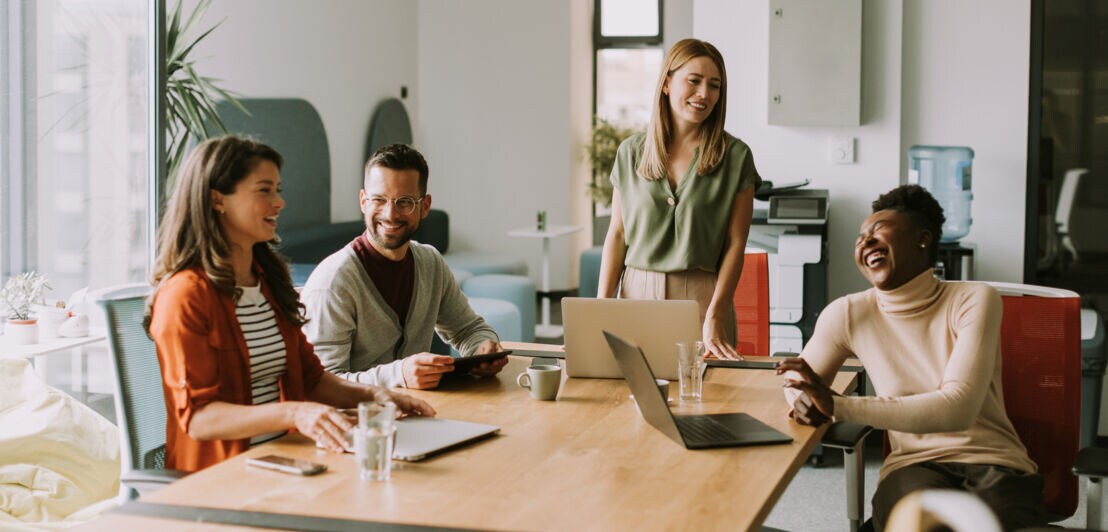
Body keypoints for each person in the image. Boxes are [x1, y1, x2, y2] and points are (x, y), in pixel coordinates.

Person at [147, 136, 435, 473]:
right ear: (218, 199)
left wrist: (376, 395)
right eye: (265, 190)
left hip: (292, 460)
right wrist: (295, 412)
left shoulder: (266, 281)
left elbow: (314, 380)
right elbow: (199, 418)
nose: (280, 202)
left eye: (278, 190)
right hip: (221, 477)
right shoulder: (185, 295)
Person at [776, 185, 1049, 531]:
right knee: (916, 520)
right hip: (913, 466)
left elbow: (958, 408)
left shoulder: (974, 299)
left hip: (993, 464)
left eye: (878, 230)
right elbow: (798, 384)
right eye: (860, 237)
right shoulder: (848, 313)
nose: (865, 242)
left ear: (923, 239)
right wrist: (804, 400)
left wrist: (837, 406)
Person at [597, 38, 760, 360]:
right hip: (635, 294)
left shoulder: (736, 156)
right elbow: (617, 235)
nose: (704, 94)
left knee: (707, 399)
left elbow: (736, 244)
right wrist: (600, 307)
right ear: (668, 83)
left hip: (702, 298)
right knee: (626, 397)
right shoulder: (631, 152)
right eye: (694, 81)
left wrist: (715, 313)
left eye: (714, 86)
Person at [300, 143, 507, 390]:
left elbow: (467, 329)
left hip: (423, 413)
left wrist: (483, 348)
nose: (390, 214)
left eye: (405, 202)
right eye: (379, 199)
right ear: (363, 201)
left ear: (425, 206)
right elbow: (320, 383)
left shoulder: (430, 263)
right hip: (362, 424)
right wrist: (399, 375)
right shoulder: (334, 281)